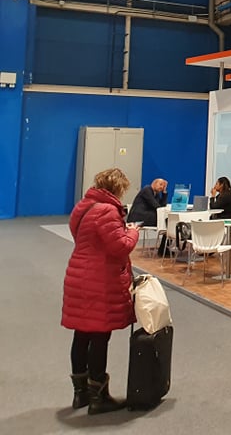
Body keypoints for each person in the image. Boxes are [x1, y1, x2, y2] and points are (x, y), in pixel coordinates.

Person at [62, 167, 140, 415]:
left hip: (78, 274)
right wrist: (133, 231)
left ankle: (80, 394)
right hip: (100, 278)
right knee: (99, 336)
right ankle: (99, 396)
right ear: (117, 188)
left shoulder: (83, 206)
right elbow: (120, 246)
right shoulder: (107, 210)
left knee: (81, 334)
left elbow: (81, 237)